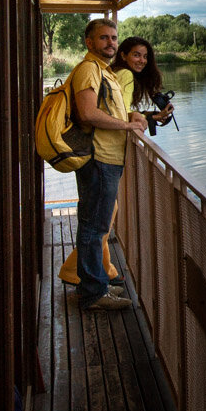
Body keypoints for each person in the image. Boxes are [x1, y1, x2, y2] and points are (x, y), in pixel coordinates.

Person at [57, 36, 173, 287]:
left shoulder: (114, 72)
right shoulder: (125, 76)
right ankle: (82, 275)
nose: (141, 60)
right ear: (123, 55)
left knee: (102, 217)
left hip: (96, 150)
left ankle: (98, 270)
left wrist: (149, 117)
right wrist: (145, 118)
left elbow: (118, 111)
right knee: (99, 221)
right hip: (104, 152)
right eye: (136, 55)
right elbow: (113, 113)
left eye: (145, 56)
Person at [71, 19, 146, 310]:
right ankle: (92, 293)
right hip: (99, 156)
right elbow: (89, 114)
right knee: (94, 227)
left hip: (107, 157)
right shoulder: (89, 69)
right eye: (103, 38)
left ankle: (95, 283)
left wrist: (134, 116)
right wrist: (127, 127)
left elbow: (113, 110)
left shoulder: (104, 71)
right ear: (89, 42)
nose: (111, 43)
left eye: (114, 38)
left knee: (95, 225)